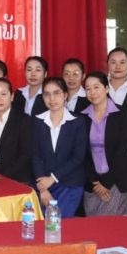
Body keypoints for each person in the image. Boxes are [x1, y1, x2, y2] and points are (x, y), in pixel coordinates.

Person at [80, 71, 127, 217]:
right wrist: (95, 181)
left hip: (117, 181)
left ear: (106, 88)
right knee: (92, 226)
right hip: (93, 183)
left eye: (96, 87)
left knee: (113, 227)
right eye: (88, 89)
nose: (92, 92)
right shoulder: (82, 117)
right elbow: (82, 153)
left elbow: (123, 152)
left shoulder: (122, 114)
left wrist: (106, 182)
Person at [31, 77, 87, 218]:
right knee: (43, 225)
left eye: (56, 93)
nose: (52, 98)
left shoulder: (78, 121)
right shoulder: (37, 121)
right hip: (44, 185)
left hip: (69, 184)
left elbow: (78, 156)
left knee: (58, 224)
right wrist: (42, 187)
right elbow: (35, 155)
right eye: (47, 94)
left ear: (65, 95)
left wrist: (53, 178)